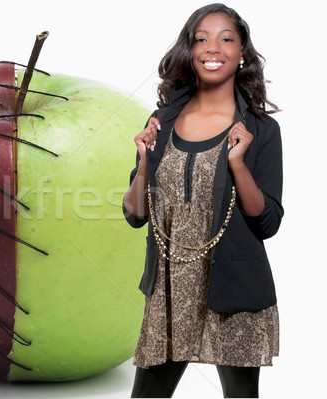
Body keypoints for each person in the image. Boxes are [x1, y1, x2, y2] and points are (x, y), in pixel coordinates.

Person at [122, 3, 283, 398]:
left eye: (226, 38)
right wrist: (145, 160)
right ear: (189, 52)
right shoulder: (161, 122)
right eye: (201, 39)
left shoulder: (260, 129)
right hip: (170, 291)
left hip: (234, 289)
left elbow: (268, 223)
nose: (214, 48)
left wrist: (237, 163)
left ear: (242, 52)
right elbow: (135, 214)